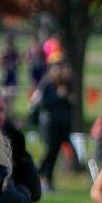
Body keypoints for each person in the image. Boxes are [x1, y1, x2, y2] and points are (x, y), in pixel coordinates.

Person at [32, 56, 78, 189]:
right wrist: (58, 96)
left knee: (55, 152)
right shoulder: (46, 83)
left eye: (61, 66)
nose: (59, 70)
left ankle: (47, 178)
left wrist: (68, 98)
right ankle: (40, 174)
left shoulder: (66, 83)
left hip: (62, 124)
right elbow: (42, 103)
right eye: (56, 67)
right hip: (50, 123)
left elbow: (70, 103)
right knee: (50, 151)